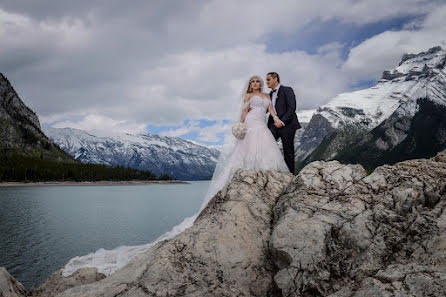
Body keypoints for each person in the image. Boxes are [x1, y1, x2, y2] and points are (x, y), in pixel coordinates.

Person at [202, 75, 289, 208]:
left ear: (260, 84)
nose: (255, 83)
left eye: (257, 82)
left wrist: (276, 118)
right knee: (248, 144)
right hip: (250, 121)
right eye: (252, 82)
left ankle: (266, 174)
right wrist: (240, 126)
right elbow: (244, 111)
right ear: (250, 84)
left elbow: (271, 110)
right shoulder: (248, 96)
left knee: (266, 141)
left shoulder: (267, 95)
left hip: (261, 122)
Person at [266, 72, 301, 173]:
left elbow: (292, 107)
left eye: (268, 79)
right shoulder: (269, 95)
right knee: (267, 145)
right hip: (273, 125)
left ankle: (290, 175)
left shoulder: (287, 90)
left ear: (275, 78)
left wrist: (282, 121)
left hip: (288, 125)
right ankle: (272, 170)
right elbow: (265, 109)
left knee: (288, 151)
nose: (266, 82)